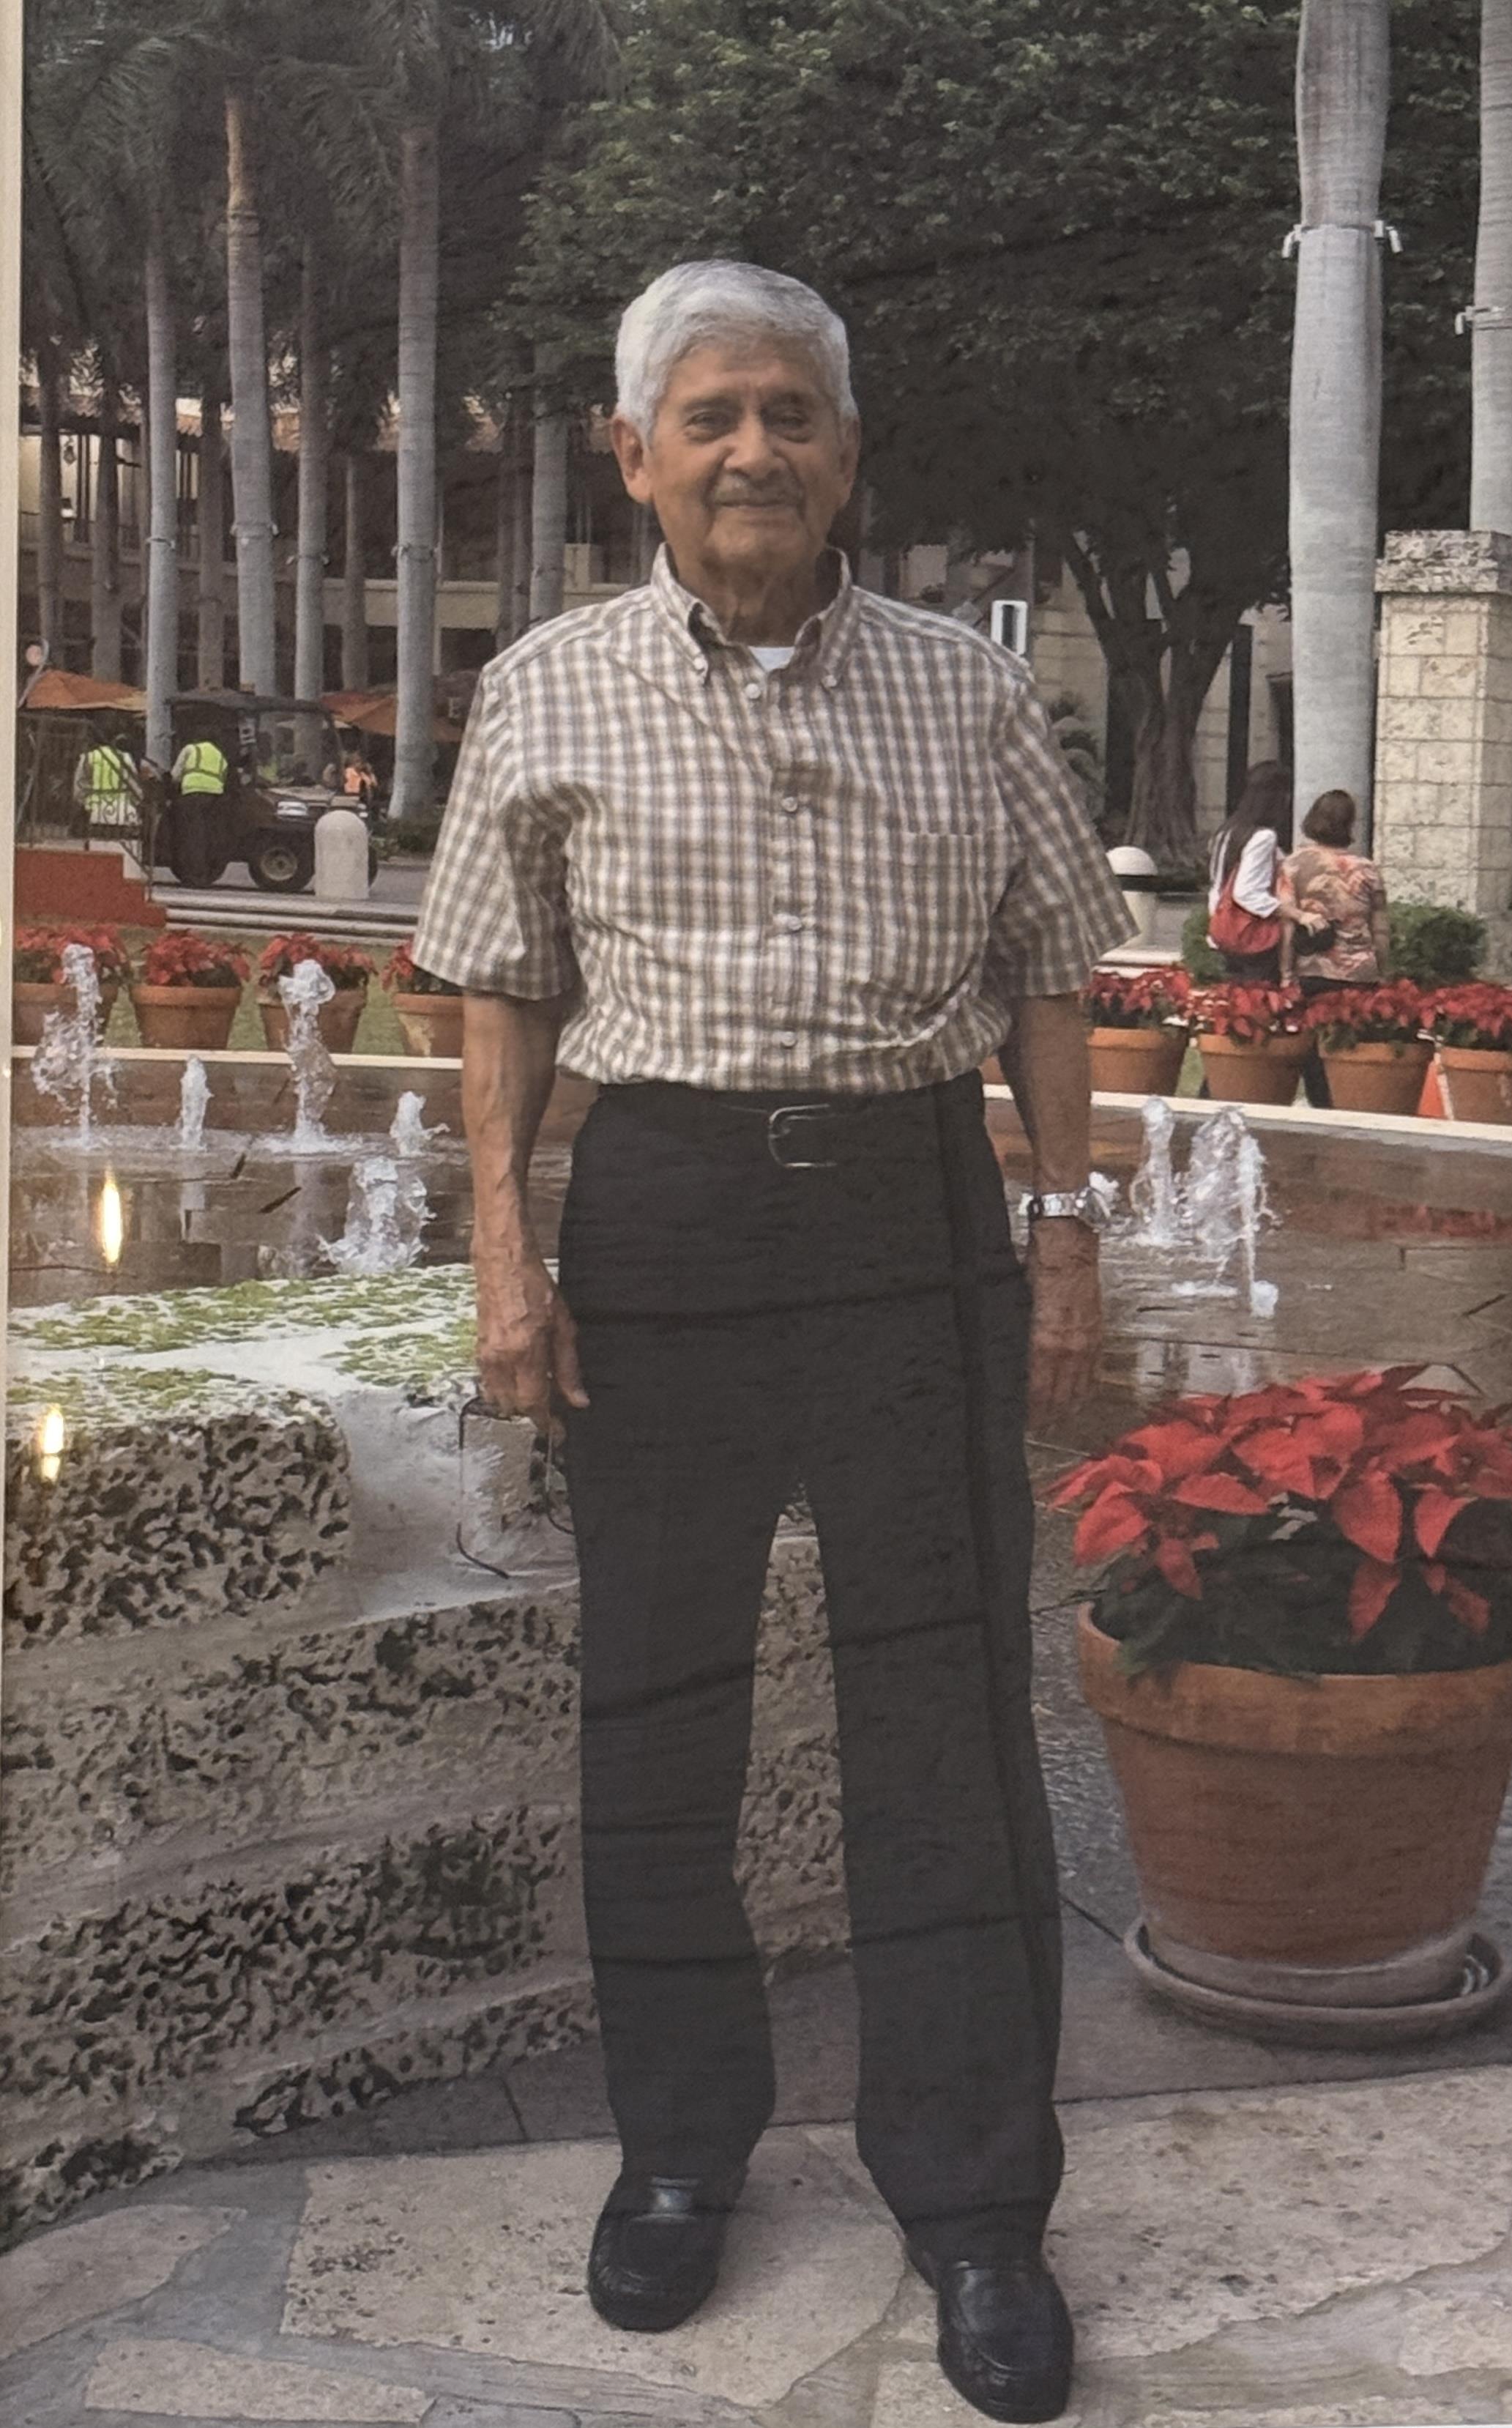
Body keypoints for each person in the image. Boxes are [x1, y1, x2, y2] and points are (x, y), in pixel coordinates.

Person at [414, 257, 1133, 2425]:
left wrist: (1066, 1229)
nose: (751, 448)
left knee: (947, 1732)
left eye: (789, 413)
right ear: (634, 454)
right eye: (707, 413)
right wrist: (503, 1251)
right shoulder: (544, 689)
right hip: (663, 1213)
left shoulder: (967, 690)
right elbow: (498, 980)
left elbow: (1047, 974)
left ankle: (979, 2202)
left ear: (848, 453)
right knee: (659, 1709)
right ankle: (674, 2151)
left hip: (913, 1205)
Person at [1279, 789, 1390, 1108]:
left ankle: (1322, 1106)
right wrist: (1382, 969)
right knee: (1352, 1045)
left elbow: (1287, 923)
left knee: (1313, 1049)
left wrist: (1286, 973)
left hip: (1313, 968)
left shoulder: (1294, 865)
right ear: (1349, 824)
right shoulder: (1367, 869)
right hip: (1360, 972)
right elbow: (1380, 927)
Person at [1204, 760, 1297, 981]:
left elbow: (1218, 885)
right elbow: (1246, 892)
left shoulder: (1227, 832)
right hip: (1254, 938)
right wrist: (1294, 913)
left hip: (1224, 932)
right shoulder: (1263, 837)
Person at [74, 735, 142, 830]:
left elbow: (79, 785)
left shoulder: (88, 757)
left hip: (95, 808)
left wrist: (82, 802)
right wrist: (138, 801)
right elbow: (133, 783)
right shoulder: (125, 757)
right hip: (123, 809)